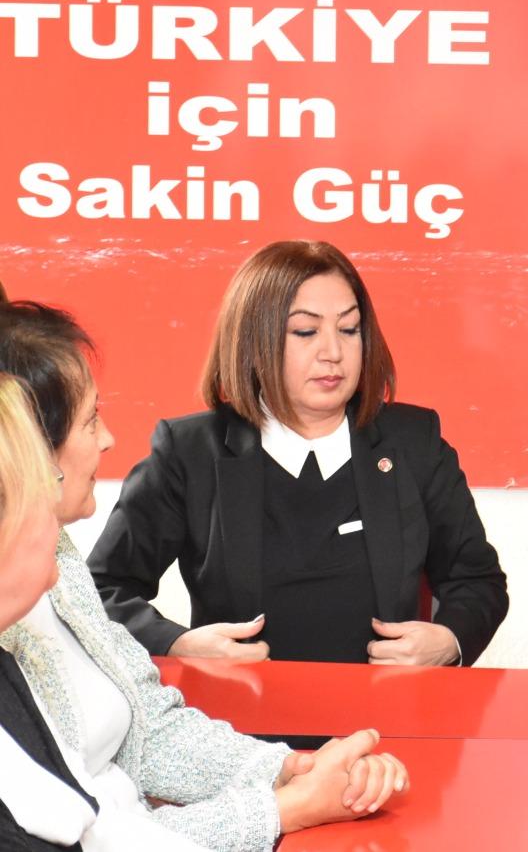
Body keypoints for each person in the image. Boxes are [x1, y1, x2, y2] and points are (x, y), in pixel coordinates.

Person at [0, 359, 409, 850]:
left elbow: (149, 731)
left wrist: (290, 770)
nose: (108, 439)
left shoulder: (59, 567)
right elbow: (91, 841)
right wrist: (287, 808)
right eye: (90, 420)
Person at [82, 241, 508, 666]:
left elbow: (477, 581)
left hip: (384, 704)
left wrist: (449, 641)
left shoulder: (413, 441)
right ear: (253, 341)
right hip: (236, 707)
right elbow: (99, 590)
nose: (333, 353)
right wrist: (176, 645)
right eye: (306, 332)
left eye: (349, 329)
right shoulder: (189, 452)